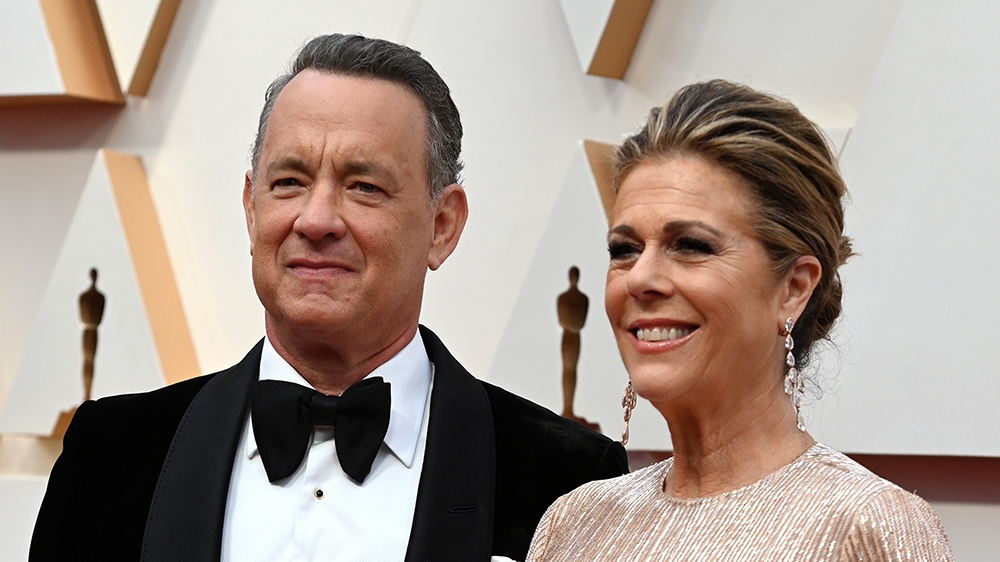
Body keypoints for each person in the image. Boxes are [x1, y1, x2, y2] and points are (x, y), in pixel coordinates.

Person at [30, 34, 627, 562]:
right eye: (289, 181)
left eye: (364, 186)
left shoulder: (566, 482)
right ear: (251, 206)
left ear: (443, 226)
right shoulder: (109, 456)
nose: (316, 220)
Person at [526, 80, 953, 561]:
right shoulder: (575, 523)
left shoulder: (865, 527)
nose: (639, 278)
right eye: (624, 250)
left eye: (690, 245)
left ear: (793, 288)